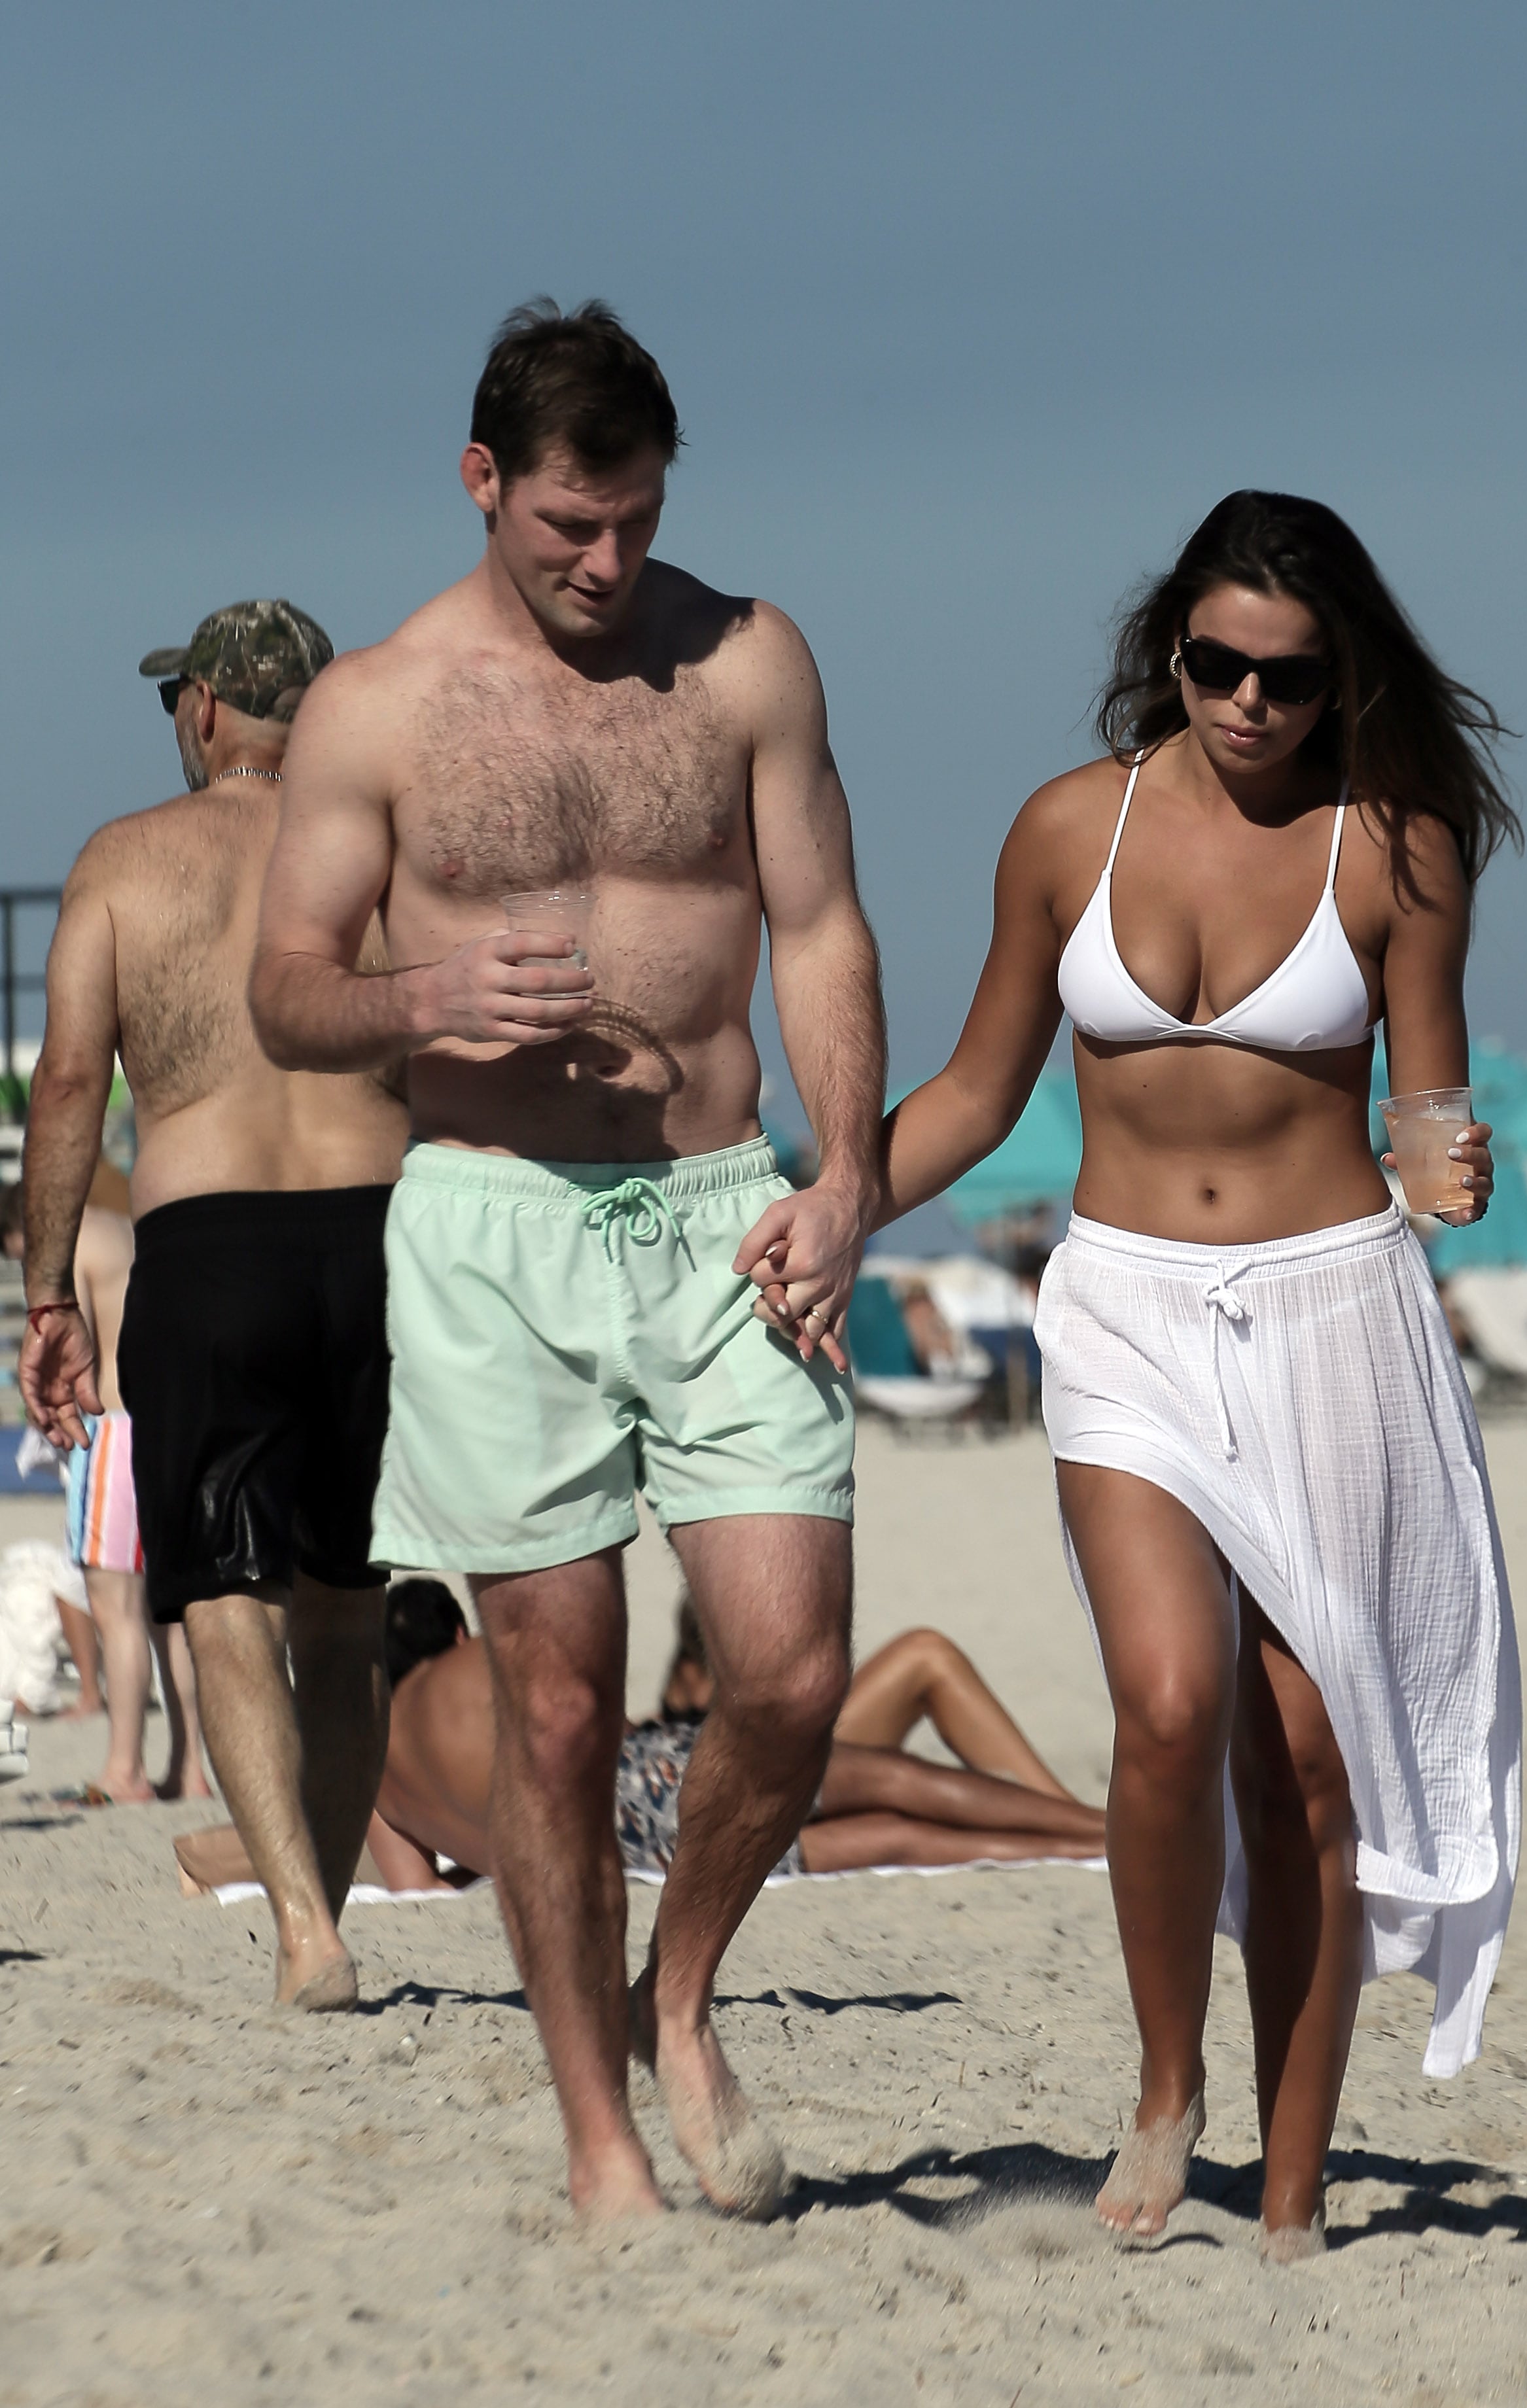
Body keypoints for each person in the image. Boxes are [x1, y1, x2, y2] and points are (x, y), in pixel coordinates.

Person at [814, 491, 1523, 2253]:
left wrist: (1451, 1162)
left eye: (1288, 677)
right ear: (1169, 649)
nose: (1252, 705)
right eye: (1218, 664)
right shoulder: (1072, 828)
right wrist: (835, 1208)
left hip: (1328, 1311)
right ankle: (1164, 2086)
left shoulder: (1399, 845)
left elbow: (1420, 1106)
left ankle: (1292, 2196)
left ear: (1336, 674)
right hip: (1124, 1302)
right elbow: (981, 1089)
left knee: (1307, 1768)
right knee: (1163, 1700)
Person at [247, 300, 885, 2222]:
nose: (607, 569)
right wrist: (422, 991)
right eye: (565, 531)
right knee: (556, 1700)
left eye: (634, 524)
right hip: (494, 1220)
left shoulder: (748, 660)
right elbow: (286, 991)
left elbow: (824, 929)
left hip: (720, 1208)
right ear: (483, 483)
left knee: (787, 1669)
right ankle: (601, 2133)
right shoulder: (376, 705)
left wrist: (846, 1173)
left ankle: (675, 1995)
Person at [18, 601, 407, 2009]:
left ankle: (308, 1930)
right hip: (382, 1241)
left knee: (227, 1601)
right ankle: (333, 1888)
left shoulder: (126, 860)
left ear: (200, 715)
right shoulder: (380, 854)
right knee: (348, 1608)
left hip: (208, 1245)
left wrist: (49, 1290)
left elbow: (68, 1082)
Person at [175, 1584, 1105, 1895]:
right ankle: (1099, 1836)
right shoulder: (477, 1663)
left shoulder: (374, 1766)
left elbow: (418, 1890)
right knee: (893, 1782)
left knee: (893, 1841)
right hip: (636, 1781)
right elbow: (591, 1724)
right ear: (450, 1635)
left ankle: (1079, 1848)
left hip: (625, 1855)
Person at [2, 1181, 207, 1801]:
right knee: (169, 1614)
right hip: (170, 1425)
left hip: (112, 1430)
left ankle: (125, 1769)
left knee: (116, 1610)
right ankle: (190, 1769)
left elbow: (72, 1349)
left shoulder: (66, 1249)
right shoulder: (127, 1229)